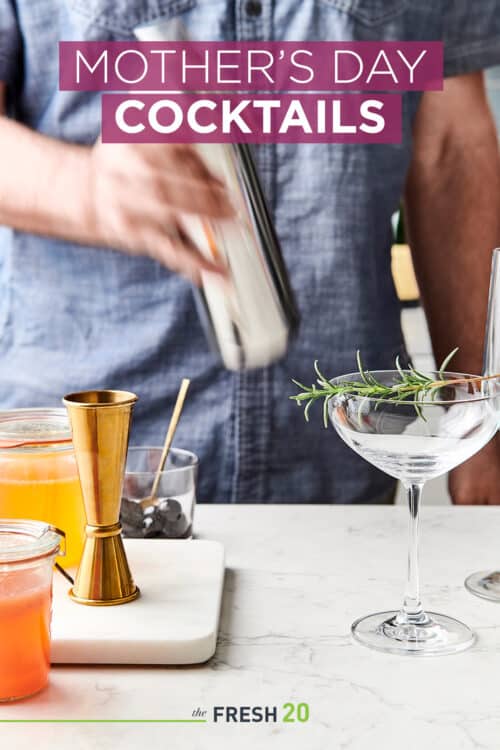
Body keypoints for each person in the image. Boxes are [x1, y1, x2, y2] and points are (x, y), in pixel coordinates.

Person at [0, 1, 499, 505]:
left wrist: (485, 437)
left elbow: (450, 148)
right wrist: (85, 189)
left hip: (337, 449)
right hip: (80, 444)